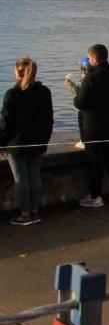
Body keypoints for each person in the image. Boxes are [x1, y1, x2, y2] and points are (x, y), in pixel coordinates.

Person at [71, 44, 109, 207]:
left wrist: (76, 93)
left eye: (89, 58)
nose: (89, 61)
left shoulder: (90, 79)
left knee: (95, 160)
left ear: (95, 59)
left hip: (93, 125)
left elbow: (79, 103)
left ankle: (95, 196)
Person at [0, 58, 54, 225]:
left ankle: (25, 215)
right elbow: (49, 119)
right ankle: (34, 212)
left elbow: (5, 123)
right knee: (34, 176)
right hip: (37, 142)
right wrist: (44, 140)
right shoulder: (44, 92)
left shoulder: (12, 94)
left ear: (18, 72)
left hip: (16, 144)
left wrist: (1, 143)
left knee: (20, 179)